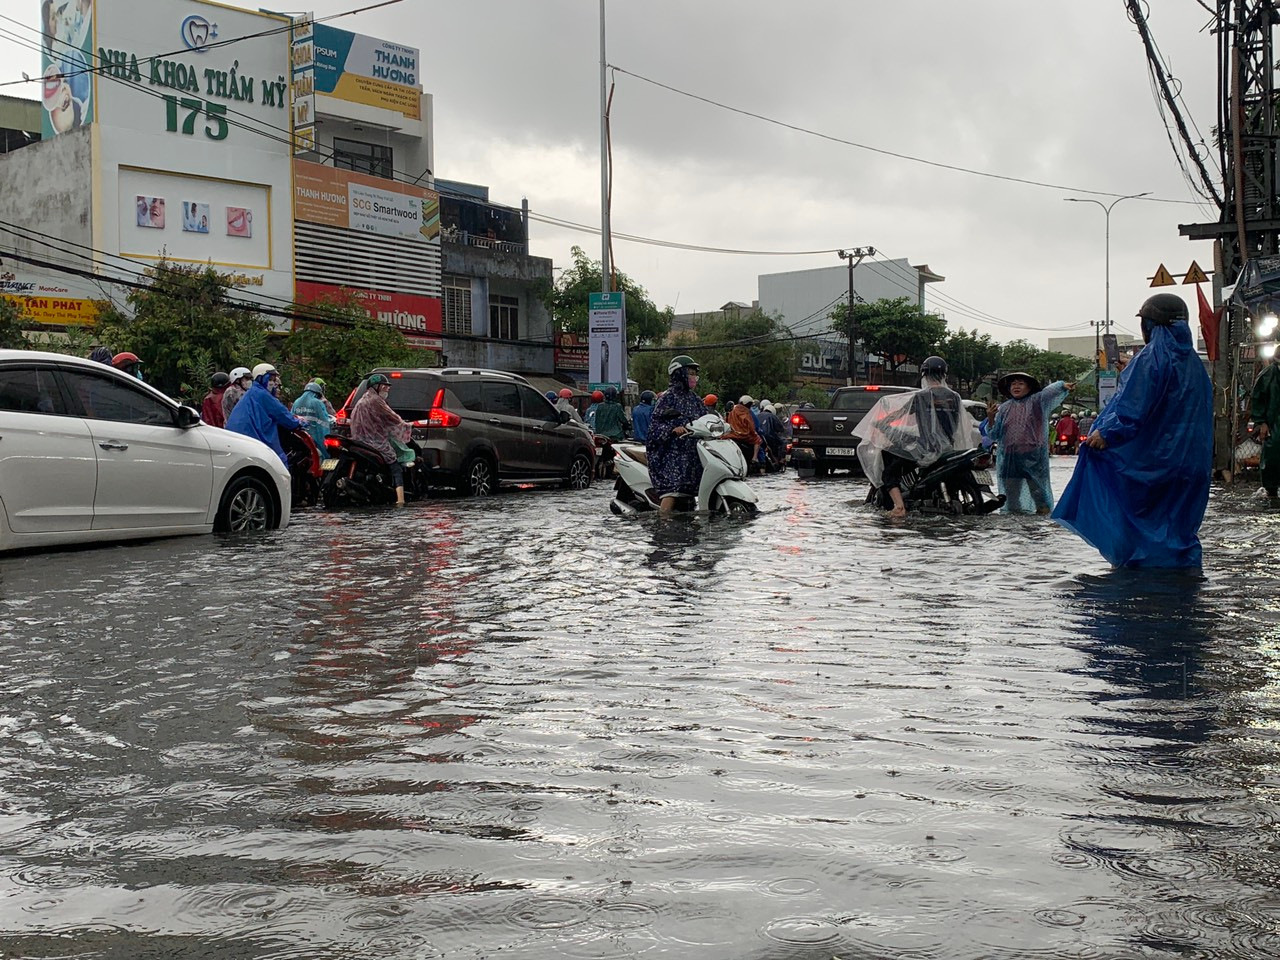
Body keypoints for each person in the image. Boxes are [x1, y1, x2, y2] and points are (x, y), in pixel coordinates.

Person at [1052, 293, 1213, 568]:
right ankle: (1182, 579)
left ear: (1150, 325)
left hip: (1154, 464)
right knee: (1179, 527)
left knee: (1142, 521)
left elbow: (1133, 407)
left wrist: (1107, 434)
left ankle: (1142, 588)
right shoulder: (1196, 365)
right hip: (1191, 466)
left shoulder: (1151, 359)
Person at [854, 356, 977, 518]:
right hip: (948, 449)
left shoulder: (920, 397)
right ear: (944, 374)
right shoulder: (955, 397)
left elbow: (900, 414)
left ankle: (899, 507)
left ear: (924, 374)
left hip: (924, 450)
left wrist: (881, 422)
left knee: (889, 473)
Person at [985, 373, 1073, 515]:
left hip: (1032, 457)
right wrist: (990, 418)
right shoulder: (1003, 408)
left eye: (1020, 383)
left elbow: (1048, 392)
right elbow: (993, 435)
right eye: (1013, 384)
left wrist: (1061, 385)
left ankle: (1039, 526)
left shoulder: (1037, 402)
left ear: (1029, 387)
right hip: (1009, 457)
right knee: (1011, 497)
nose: (1016, 386)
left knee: (1039, 494)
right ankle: (1016, 528)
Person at [646, 356, 708, 513]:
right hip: (670, 455)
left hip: (692, 453)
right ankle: (663, 521)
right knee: (674, 489)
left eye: (695, 373)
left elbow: (706, 419)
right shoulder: (667, 398)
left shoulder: (695, 399)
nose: (694, 377)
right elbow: (654, 427)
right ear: (679, 374)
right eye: (690, 373)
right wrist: (672, 429)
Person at [350, 373, 412, 505]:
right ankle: (400, 500)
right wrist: (406, 425)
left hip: (359, 442)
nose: (387, 390)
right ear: (376, 387)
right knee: (395, 465)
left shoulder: (361, 401)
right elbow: (392, 417)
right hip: (376, 442)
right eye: (384, 387)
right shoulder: (376, 401)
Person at [225, 363, 303, 467]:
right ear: (261, 378)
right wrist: (298, 422)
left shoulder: (252, 392)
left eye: (274, 380)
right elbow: (282, 414)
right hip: (252, 437)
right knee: (279, 462)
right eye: (270, 379)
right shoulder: (262, 394)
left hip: (238, 438)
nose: (272, 383)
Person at [1251, 351, 1280, 497]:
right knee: (1272, 454)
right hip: (1273, 422)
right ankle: (1271, 488)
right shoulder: (1268, 375)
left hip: (1274, 420)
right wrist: (1261, 422)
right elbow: (1257, 399)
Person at [291, 380, 333, 450]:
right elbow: (324, 422)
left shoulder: (296, 402)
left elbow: (292, 417)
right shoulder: (317, 403)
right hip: (315, 440)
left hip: (301, 439)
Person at [726, 395, 762, 466]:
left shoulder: (732, 411)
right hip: (744, 435)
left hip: (732, 434)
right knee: (758, 440)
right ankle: (754, 458)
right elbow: (752, 427)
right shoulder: (746, 413)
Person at [757, 400, 788, 465]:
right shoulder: (773, 416)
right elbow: (780, 428)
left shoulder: (758, 415)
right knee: (783, 442)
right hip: (769, 437)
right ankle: (782, 459)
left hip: (758, 437)